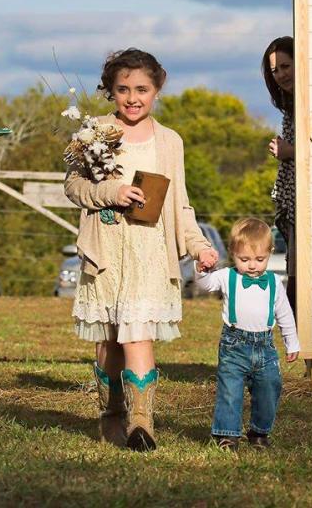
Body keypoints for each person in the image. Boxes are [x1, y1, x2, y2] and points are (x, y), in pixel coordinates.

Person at [64, 48, 218, 451]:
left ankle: (141, 424)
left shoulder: (170, 141)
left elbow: (179, 202)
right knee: (111, 342)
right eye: (123, 89)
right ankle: (111, 414)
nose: (133, 98)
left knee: (137, 336)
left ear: (157, 90)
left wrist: (199, 246)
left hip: (149, 251)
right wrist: (111, 192)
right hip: (108, 250)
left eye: (142, 90)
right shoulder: (93, 131)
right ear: (110, 91)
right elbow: (74, 187)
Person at [195, 217, 299, 451]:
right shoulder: (227, 276)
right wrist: (201, 271)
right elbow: (204, 285)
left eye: (259, 259)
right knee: (229, 391)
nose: (252, 265)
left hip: (266, 349)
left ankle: (259, 432)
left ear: (270, 253)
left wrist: (291, 342)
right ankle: (228, 435)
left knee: (270, 388)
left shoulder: (274, 282)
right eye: (244, 259)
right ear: (232, 253)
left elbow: (285, 314)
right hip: (234, 346)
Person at [261, 36, 296, 318]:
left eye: (285, 66)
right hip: (292, 199)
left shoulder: (309, 101)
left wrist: (289, 150)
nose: (281, 74)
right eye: (275, 70)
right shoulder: (289, 104)